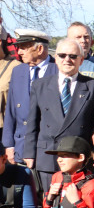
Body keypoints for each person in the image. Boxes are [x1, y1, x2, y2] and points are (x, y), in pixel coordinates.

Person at [24, 38, 94, 175]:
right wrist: (29, 152)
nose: (67, 59)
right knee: (49, 196)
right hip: (48, 156)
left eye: (73, 56)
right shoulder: (39, 85)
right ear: (56, 58)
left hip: (79, 157)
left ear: (81, 60)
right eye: (62, 55)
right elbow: (32, 122)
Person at [4, 29, 54, 164]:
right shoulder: (18, 71)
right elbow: (11, 111)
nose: (19, 52)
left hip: (49, 151)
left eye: (23, 48)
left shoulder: (58, 70)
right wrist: (9, 145)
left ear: (40, 48)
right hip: (21, 147)